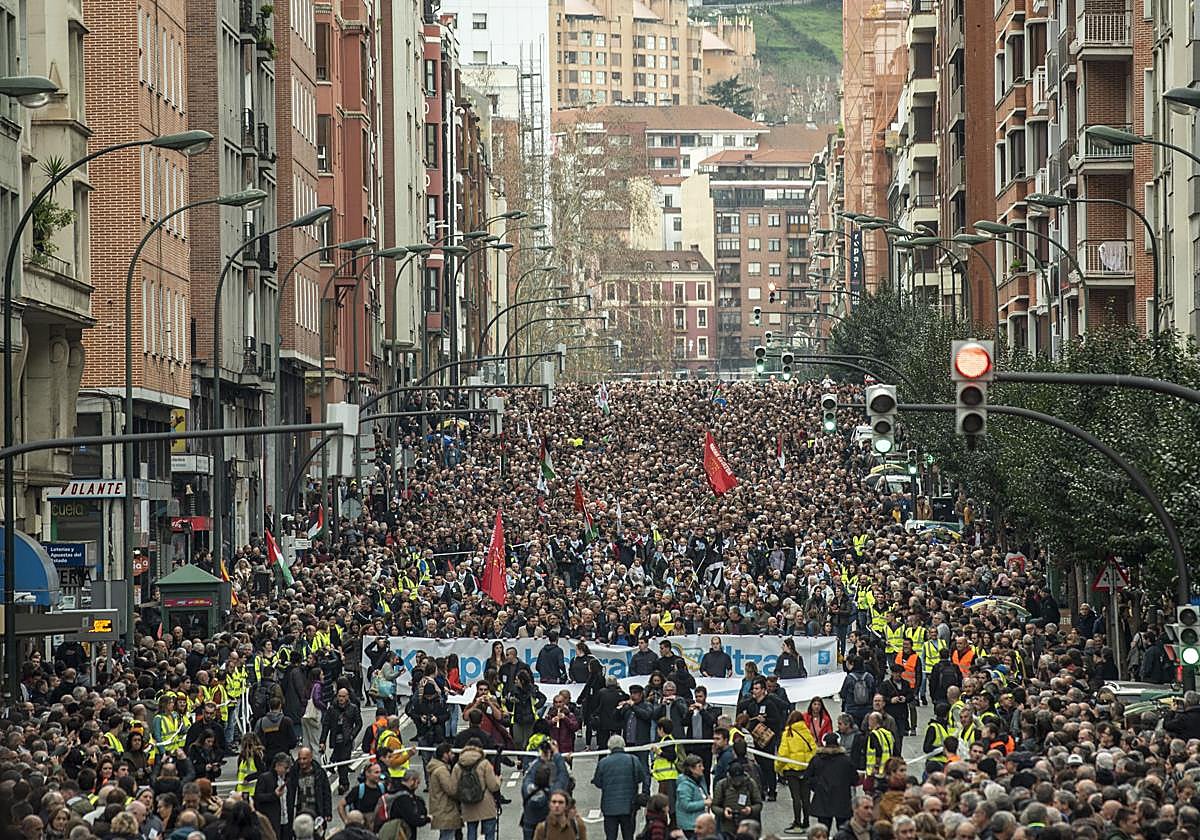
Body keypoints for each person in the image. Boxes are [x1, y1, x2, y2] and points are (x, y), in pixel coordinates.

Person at [591, 735, 647, 840]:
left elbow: (598, 782)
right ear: (623, 745)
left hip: (609, 808)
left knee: (611, 836)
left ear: (609, 747)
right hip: (629, 806)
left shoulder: (603, 762)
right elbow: (641, 777)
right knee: (628, 836)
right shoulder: (633, 760)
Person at [450, 738, 501, 840]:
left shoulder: (458, 766)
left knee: (471, 829)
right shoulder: (484, 763)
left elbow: (453, 788)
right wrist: (498, 780)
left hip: (468, 802)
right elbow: (493, 786)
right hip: (486, 802)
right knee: (489, 831)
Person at [808, 733, 859, 832]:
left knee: (822, 832)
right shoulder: (846, 760)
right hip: (842, 801)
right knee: (844, 832)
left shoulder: (817, 759)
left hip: (822, 800)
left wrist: (817, 787)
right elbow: (854, 779)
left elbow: (808, 778)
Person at [776, 709, 816, 833]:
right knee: (805, 797)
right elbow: (813, 750)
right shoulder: (807, 731)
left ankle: (797, 821)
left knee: (796, 797)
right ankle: (806, 821)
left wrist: (778, 767)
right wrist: (807, 763)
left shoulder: (788, 733)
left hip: (792, 770)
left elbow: (783, 753)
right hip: (805, 770)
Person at [320, 686, 363, 795]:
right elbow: (326, 725)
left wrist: (352, 735)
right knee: (339, 760)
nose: (341, 699)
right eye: (339, 696)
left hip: (347, 740)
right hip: (335, 739)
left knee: (344, 761)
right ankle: (337, 770)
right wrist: (322, 741)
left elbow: (359, 723)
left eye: (343, 696)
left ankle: (343, 783)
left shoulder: (353, 708)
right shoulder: (332, 709)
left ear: (347, 697)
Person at [285, 747, 332, 836]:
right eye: (300, 759)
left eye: (304, 759)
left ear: (310, 758)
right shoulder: (294, 773)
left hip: (316, 811)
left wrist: (328, 812)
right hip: (299, 811)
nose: (302, 762)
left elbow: (326, 792)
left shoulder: (319, 772)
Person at [710, 761, 761, 836]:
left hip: (746, 826)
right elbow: (714, 806)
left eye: (739, 778)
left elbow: (758, 804)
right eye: (735, 779)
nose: (738, 782)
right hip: (727, 827)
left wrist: (750, 809)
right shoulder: (722, 785)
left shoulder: (750, 784)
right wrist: (723, 812)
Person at [427, 742, 463, 840]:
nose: (453, 755)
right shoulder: (441, 770)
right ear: (444, 755)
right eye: (451, 753)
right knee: (447, 836)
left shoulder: (437, 768)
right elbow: (451, 789)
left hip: (440, 807)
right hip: (446, 808)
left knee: (445, 835)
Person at [252, 753, 292, 840]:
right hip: (271, 820)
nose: (287, 770)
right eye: (285, 768)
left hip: (286, 821)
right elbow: (258, 797)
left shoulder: (287, 779)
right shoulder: (265, 778)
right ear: (277, 765)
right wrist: (274, 795)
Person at [339, 762, 385, 832]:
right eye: (376, 772)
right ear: (367, 774)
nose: (379, 775)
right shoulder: (358, 790)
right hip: (362, 830)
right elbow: (341, 805)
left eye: (380, 772)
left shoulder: (382, 788)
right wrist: (347, 822)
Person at [386, 768, 430, 840]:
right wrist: (427, 819)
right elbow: (414, 819)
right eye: (417, 782)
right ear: (411, 780)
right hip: (402, 833)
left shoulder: (396, 792)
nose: (418, 786)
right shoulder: (404, 798)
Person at [673, 756, 708, 839]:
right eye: (699, 766)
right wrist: (704, 803)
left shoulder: (700, 780)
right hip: (690, 826)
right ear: (691, 769)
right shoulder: (684, 785)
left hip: (699, 822)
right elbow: (686, 805)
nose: (703, 768)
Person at [839, 658, 875, 727]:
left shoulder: (849, 677)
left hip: (852, 709)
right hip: (867, 709)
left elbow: (843, 694)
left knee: (854, 731)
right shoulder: (869, 677)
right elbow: (874, 692)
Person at [521, 764, 553, 840]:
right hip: (545, 824)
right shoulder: (551, 793)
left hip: (529, 823)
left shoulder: (527, 789)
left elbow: (527, 777)